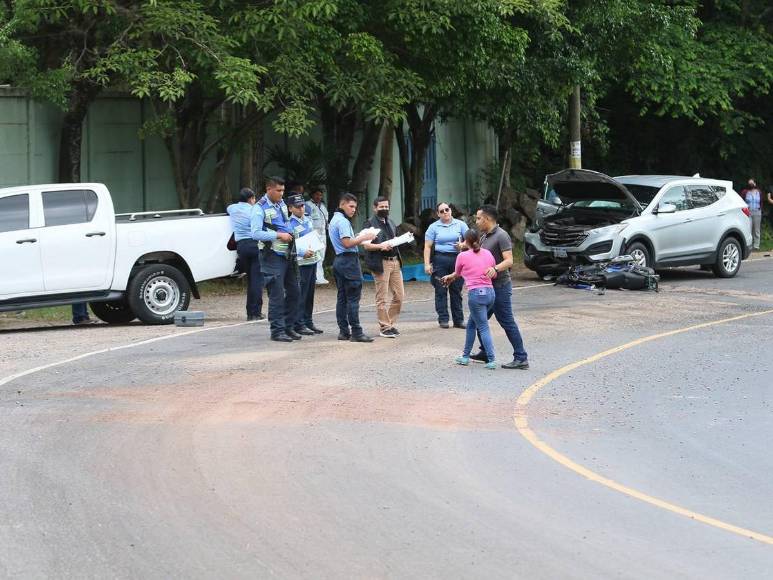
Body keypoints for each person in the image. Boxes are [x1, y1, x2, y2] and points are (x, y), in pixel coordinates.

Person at [468, 204, 529, 370]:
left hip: (500, 286)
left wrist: (495, 269)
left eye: (479, 218)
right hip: (485, 287)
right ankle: (485, 352)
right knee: (477, 319)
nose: (476, 221)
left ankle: (521, 357)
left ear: (487, 219)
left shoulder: (501, 235)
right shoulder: (484, 236)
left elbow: (509, 260)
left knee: (507, 322)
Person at [441, 229, 498, 370]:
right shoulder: (488, 253)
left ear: (465, 241)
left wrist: (450, 276)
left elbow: (458, 273)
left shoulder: (462, 256)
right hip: (490, 293)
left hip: (476, 295)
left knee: (483, 327)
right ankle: (465, 356)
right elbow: (494, 274)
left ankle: (491, 359)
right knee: (472, 325)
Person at [251, 176, 299, 343]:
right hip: (271, 255)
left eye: (283, 190)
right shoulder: (259, 208)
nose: (281, 193)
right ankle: (277, 330)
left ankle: (288, 326)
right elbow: (255, 233)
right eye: (278, 190)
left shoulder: (282, 204)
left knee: (294, 291)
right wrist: (279, 235)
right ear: (269, 189)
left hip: (286, 253)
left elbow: (285, 223)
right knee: (276, 294)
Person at [329, 193, 378, 342]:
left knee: (342, 297)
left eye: (355, 207)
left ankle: (344, 331)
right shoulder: (343, 221)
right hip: (348, 261)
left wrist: (356, 237)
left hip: (339, 260)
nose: (353, 210)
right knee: (353, 298)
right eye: (351, 206)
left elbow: (346, 241)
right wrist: (364, 237)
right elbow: (347, 243)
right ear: (342, 204)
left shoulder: (334, 219)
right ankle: (356, 332)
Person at [362, 197, 405, 338]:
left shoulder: (391, 222)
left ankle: (389, 324)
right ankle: (385, 327)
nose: (384, 209)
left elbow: (395, 240)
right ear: (375, 208)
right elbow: (366, 245)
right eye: (381, 207)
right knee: (382, 297)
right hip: (381, 263)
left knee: (399, 296)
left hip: (395, 261)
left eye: (386, 206)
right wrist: (381, 246)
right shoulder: (369, 223)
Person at [424, 201, 468, 329]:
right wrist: (426, 264)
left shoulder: (460, 224)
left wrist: (462, 245)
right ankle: (443, 319)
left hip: (457, 258)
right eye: (442, 211)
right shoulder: (433, 227)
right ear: (438, 214)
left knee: (456, 290)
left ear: (451, 210)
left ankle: (458, 320)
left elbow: (470, 240)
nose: (445, 213)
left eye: (447, 209)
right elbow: (427, 246)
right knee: (440, 289)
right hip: (440, 259)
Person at [286, 193, 324, 335]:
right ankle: (299, 323)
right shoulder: (289, 224)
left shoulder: (307, 220)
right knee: (300, 295)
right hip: (300, 263)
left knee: (309, 294)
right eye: (298, 206)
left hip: (312, 260)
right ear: (290, 208)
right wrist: (302, 252)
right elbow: (290, 245)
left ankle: (308, 321)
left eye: (302, 206)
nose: (301, 208)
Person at [227, 187, 264, 321]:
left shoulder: (232, 208)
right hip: (255, 245)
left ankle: (249, 313)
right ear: (251, 199)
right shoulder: (255, 210)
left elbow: (228, 208)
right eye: (254, 198)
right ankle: (256, 313)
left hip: (241, 247)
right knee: (257, 281)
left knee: (250, 280)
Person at [306, 186, 330, 284]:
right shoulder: (308, 205)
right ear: (312, 195)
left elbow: (326, 220)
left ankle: (320, 276)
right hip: (313, 234)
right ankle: (315, 277)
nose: (319, 197)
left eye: (320, 195)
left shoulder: (322, 206)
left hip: (322, 234)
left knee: (321, 256)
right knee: (315, 255)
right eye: (317, 194)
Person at [740, 178, 763, 250]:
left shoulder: (759, 192)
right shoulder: (745, 192)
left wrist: (760, 209)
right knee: (748, 229)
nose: (750, 184)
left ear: (755, 184)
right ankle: (748, 245)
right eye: (749, 183)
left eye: (752, 183)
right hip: (748, 212)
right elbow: (741, 201)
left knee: (756, 230)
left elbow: (761, 202)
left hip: (757, 212)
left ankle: (756, 246)